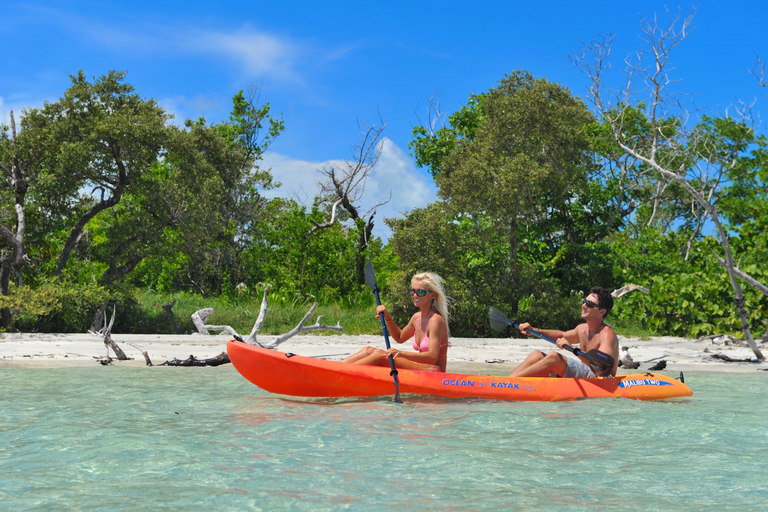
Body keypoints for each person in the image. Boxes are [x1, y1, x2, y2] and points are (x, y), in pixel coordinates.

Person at [342, 272, 450, 372]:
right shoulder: (417, 318)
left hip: (433, 372)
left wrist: (401, 353)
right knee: (368, 349)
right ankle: (334, 369)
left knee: (381, 355)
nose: (415, 295)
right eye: (413, 291)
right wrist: (388, 318)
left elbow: (432, 357)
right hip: (420, 369)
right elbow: (399, 337)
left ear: (433, 295)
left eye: (420, 292)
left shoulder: (436, 320)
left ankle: (344, 373)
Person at [509, 287, 618, 378]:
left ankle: (509, 383)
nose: (584, 305)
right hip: (584, 374)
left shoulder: (607, 334)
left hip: (600, 379)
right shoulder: (581, 329)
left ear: (602, 312)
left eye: (589, 304)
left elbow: (601, 367)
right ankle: (504, 382)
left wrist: (573, 349)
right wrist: (534, 330)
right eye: (584, 301)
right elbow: (561, 335)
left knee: (554, 357)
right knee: (536, 355)